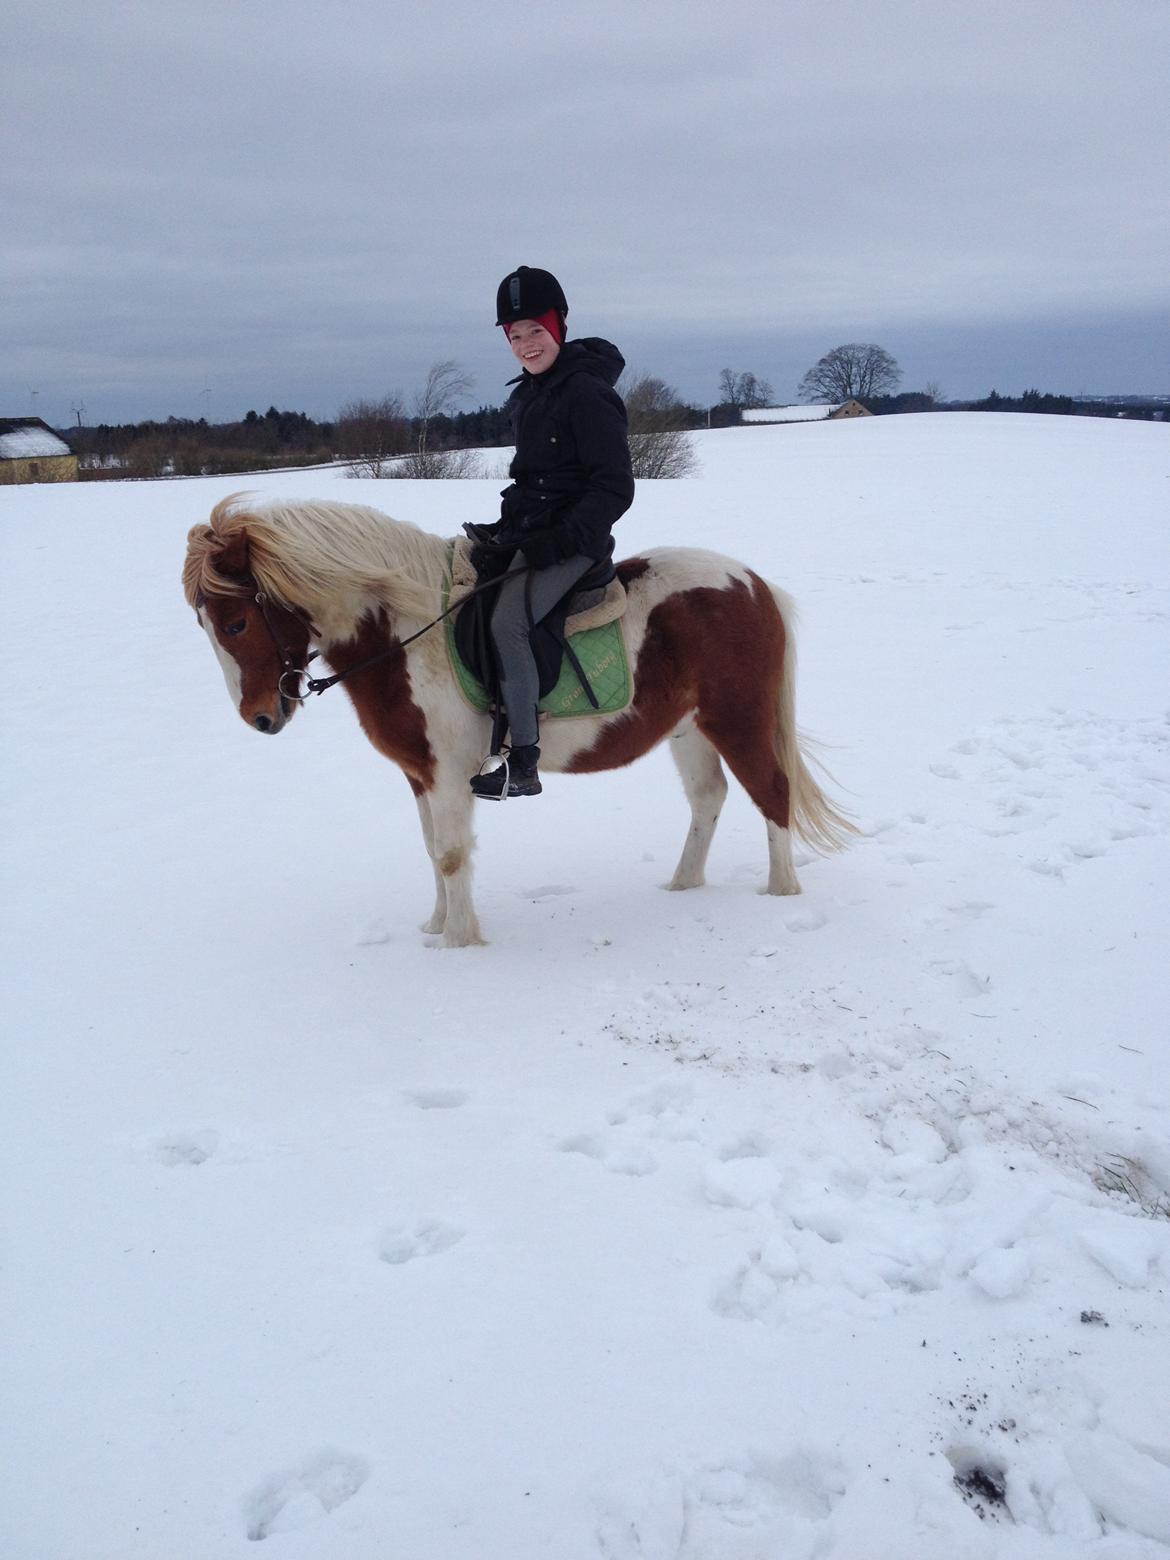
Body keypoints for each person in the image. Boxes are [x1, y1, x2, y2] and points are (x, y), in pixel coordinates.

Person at [468, 265, 635, 799]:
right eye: (515, 335)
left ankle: (522, 760)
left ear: (559, 325)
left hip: (574, 543)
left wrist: (560, 540)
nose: (526, 344)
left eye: (535, 331)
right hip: (533, 535)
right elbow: (533, 480)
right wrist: (504, 527)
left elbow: (614, 488)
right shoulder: (530, 394)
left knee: (508, 624)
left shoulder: (587, 393)